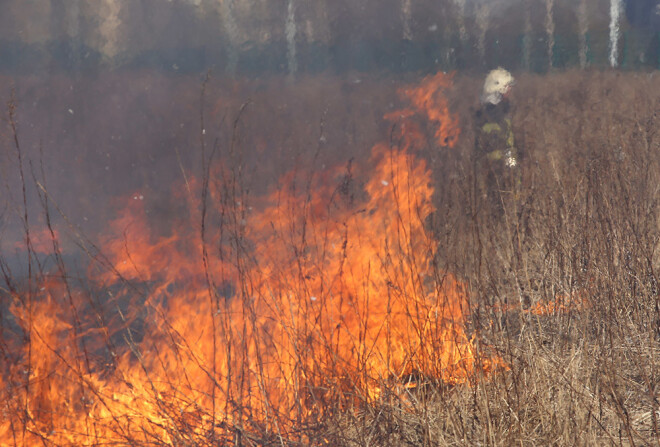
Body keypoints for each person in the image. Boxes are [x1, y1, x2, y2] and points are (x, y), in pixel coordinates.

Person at [473, 67, 519, 216]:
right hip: (498, 163)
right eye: (508, 88)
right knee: (499, 202)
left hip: (499, 163)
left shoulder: (497, 111)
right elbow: (502, 143)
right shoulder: (493, 113)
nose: (510, 92)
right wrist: (511, 163)